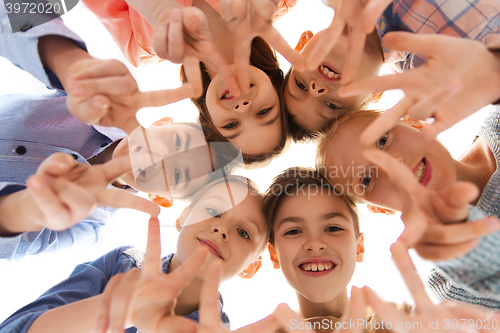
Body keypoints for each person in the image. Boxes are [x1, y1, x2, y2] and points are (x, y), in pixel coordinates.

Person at [0, 175, 270, 333]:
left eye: (244, 233)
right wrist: (118, 311)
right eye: (213, 211)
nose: (222, 229)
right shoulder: (122, 263)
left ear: (250, 268)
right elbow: (14, 327)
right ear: (182, 217)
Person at [316, 108, 500, 309]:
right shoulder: (451, 284)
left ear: (417, 124)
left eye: (383, 140)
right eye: (366, 180)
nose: (394, 167)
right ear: (381, 210)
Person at [80, 0, 298, 166]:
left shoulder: (141, 47)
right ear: (277, 84)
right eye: (264, 112)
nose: (243, 108)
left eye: (231, 125)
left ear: (208, 116)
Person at [283, 0, 500, 141]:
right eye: (331, 105)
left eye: (299, 85)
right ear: (375, 94)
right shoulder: (432, 67)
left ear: (301, 45)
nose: (315, 90)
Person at [262, 167, 412, 332]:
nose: (314, 243)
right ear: (274, 254)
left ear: (358, 247)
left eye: (333, 228)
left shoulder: (405, 320)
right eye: (293, 231)